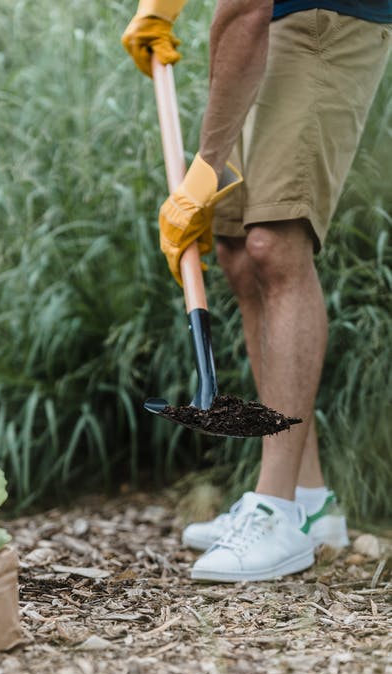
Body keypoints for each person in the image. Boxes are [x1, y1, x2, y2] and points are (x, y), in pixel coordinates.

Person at [122, 1, 391, 582]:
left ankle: (275, 509)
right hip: (275, 28)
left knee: (275, 243)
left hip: (327, 19)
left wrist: (205, 170)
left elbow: (243, 9)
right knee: (239, 254)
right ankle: (310, 500)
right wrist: (161, 7)